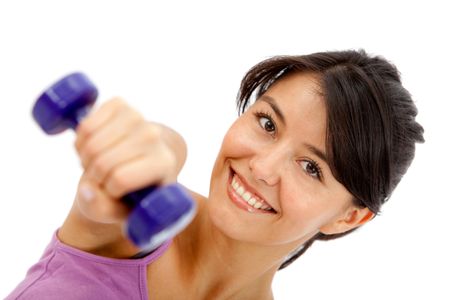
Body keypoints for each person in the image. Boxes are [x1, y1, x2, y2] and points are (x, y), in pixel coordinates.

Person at [7, 49, 424, 300]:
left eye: (312, 167)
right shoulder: (125, 221)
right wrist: (156, 146)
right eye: (267, 124)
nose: (261, 168)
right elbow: (158, 150)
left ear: (349, 217)